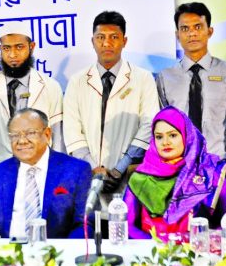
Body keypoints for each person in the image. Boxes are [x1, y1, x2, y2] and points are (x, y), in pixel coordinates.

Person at [64, 11, 159, 201]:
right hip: (87, 175)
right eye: (101, 38)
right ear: (92, 41)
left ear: (124, 41)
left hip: (129, 176)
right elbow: (72, 131)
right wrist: (93, 167)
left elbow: (149, 125)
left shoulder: (143, 78)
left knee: (125, 223)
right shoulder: (77, 81)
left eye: (114, 37)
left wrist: (120, 168)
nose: (106, 43)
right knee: (90, 224)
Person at [0, 109, 90, 239]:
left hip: (55, 254)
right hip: (8, 254)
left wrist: (61, 253)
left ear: (47, 134)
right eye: (15, 135)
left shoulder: (76, 170)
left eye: (30, 133)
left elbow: (85, 224)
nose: (22, 141)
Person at [155, 2, 226, 173]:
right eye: (185, 29)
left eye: (198, 26)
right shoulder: (164, 78)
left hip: (219, 166)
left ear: (210, 31)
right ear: (177, 35)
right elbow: (160, 130)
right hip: (178, 170)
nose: (191, 33)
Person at [124, 107, 226, 237]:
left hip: (199, 253)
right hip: (152, 254)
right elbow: (127, 226)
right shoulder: (140, 178)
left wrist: (194, 246)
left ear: (187, 136)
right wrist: (161, 248)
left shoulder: (212, 172)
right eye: (159, 137)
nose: (165, 142)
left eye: (173, 135)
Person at [0, 22, 65, 169]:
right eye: (6, 48)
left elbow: (58, 139)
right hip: (0, 171)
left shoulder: (51, 87)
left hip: (42, 171)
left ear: (31, 47)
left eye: (19, 47)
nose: (12, 55)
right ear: (0, 49)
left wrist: (56, 175)